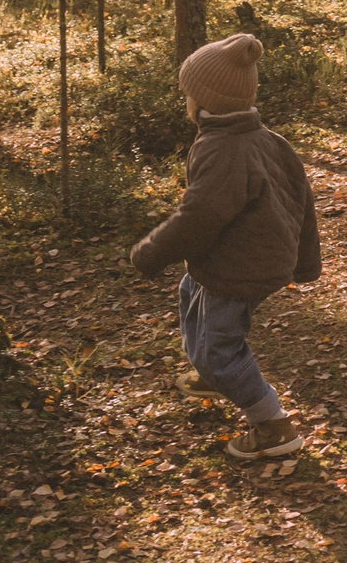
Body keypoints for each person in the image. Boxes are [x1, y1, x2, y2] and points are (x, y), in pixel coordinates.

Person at [131, 31, 322, 461]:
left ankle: (272, 426)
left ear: (204, 102)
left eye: (188, 94)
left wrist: (152, 251)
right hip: (246, 258)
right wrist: (305, 262)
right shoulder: (266, 138)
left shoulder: (222, 149)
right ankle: (217, 374)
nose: (185, 101)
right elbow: (302, 200)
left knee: (219, 348)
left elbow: (200, 217)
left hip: (242, 268)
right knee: (191, 292)